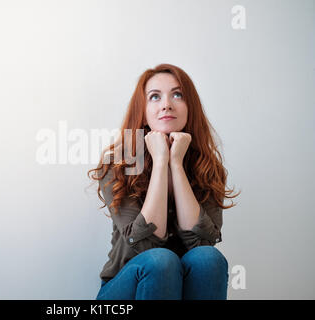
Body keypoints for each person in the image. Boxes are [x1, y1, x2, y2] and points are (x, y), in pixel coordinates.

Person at [87, 63, 240, 300]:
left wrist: (176, 164)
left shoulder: (208, 168)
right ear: (143, 110)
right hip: (125, 290)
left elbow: (202, 244)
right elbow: (143, 246)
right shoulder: (120, 164)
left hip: (182, 289)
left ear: (190, 107)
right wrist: (160, 162)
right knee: (161, 261)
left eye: (177, 95)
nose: (166, 104)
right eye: (155, 97)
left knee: (209, 259)